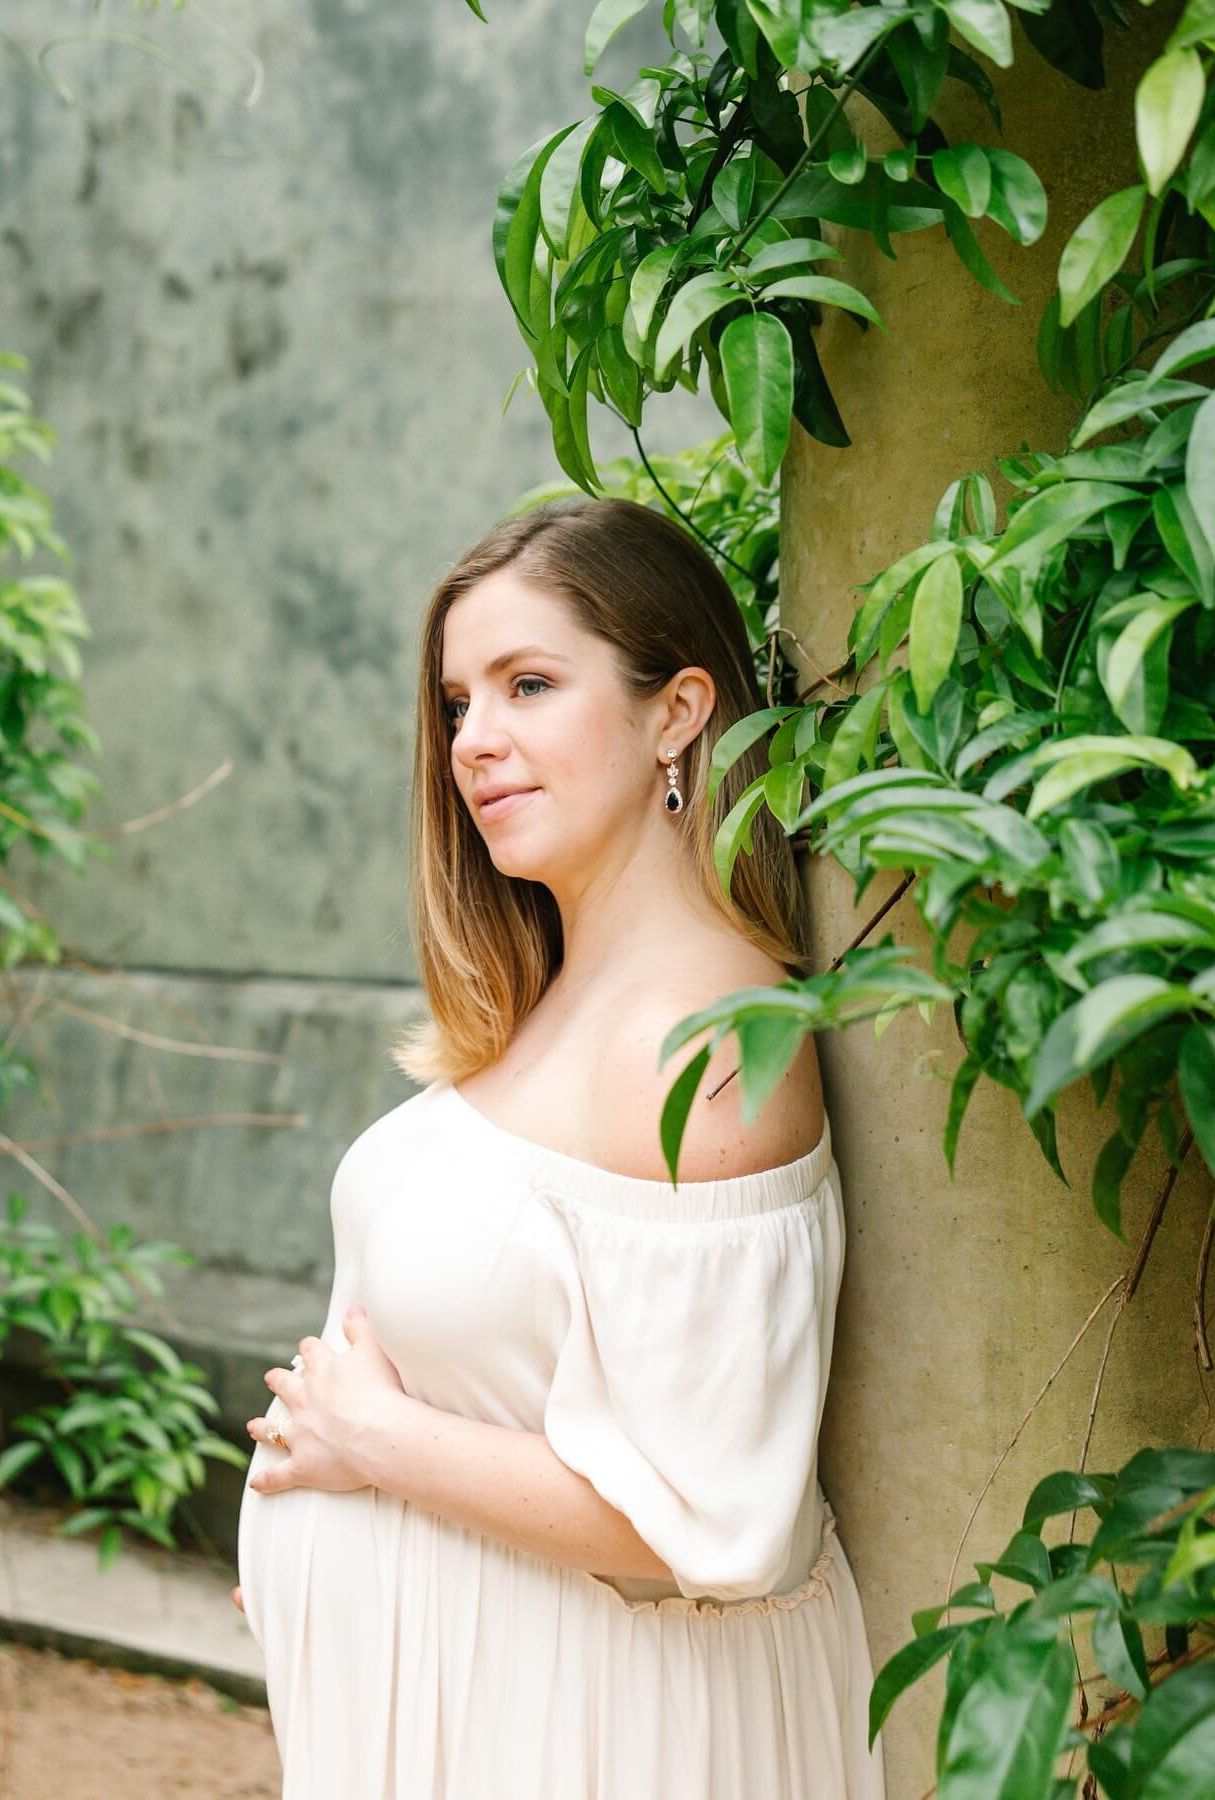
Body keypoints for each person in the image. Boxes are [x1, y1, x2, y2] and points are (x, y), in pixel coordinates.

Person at [232, 495, 886, 1799]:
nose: (476, 741)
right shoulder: (551, 998)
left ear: (678, 710)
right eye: (457, 705)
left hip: (603, 1736)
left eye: (529, 684)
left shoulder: (704, 1048)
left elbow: (706, 1529)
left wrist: (375, 1446)